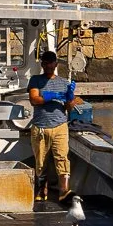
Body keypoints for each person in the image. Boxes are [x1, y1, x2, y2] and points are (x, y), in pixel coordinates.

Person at [28, 50, 80, 202]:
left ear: (56, 64)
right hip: (40, 127)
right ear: (42, 64)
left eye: (51, 63)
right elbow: (33, 99)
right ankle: (41, 189)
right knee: (40, 161)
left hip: (60, 126)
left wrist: (70, 98)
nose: (48, 66)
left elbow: (69, 108)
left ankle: (64, 191)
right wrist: (50, 96)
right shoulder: (35, 80)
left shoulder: (64, 83)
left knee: (62, 157)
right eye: (45, 63)